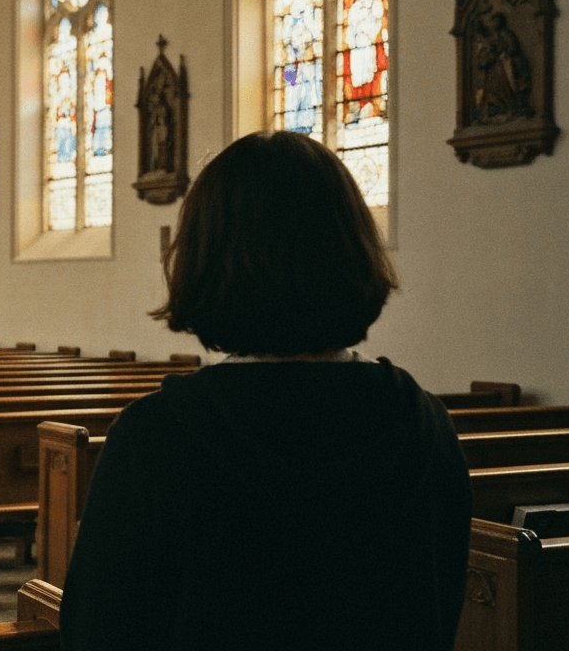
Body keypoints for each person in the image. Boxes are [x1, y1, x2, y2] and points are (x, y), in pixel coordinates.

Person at [60, 131, 472, 650]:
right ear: (352, 249)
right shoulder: (424, 423)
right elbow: (437, 609)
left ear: (202, 260)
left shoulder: (155, 438)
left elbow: (98, 632)